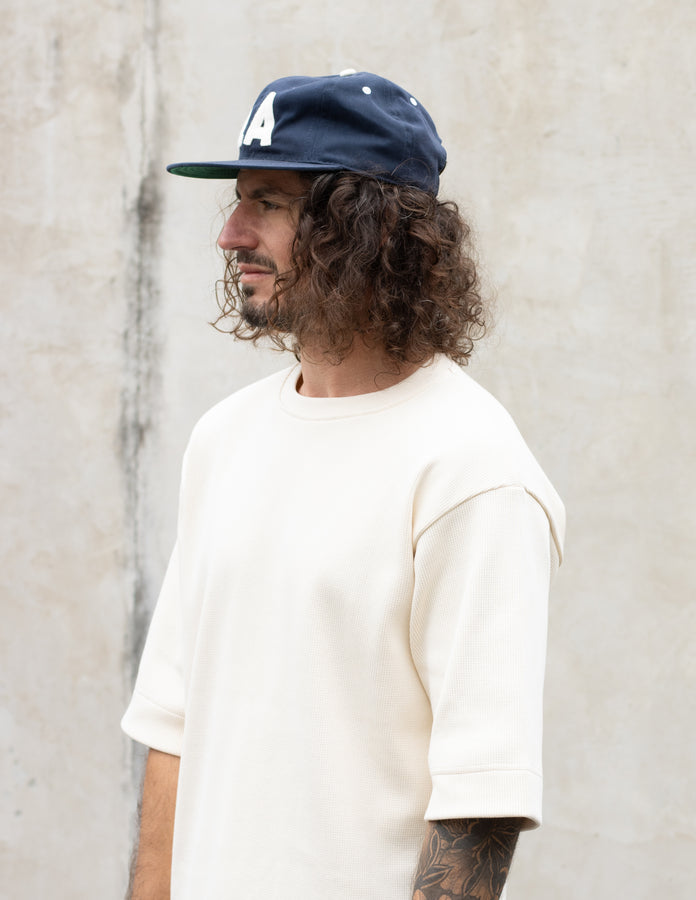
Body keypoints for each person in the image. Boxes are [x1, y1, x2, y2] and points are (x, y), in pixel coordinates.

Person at [122, 70, 565, 900]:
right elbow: (173, 729)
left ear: (367, 227)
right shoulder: (223, 440)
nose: (229, 234)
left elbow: (480, 804)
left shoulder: (473, 468)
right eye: (238, 201)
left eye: (268, 203)